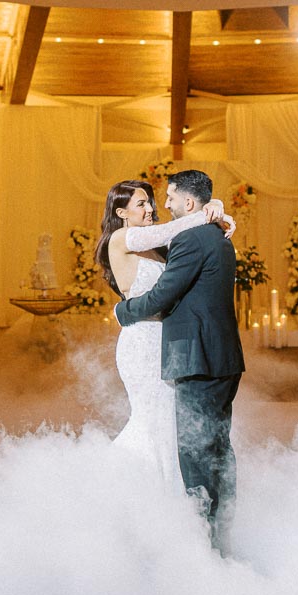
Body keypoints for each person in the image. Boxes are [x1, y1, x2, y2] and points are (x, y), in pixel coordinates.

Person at [114, 170, 244, 556]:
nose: (162, 204)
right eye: (150, 201)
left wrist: (123, 311)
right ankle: (222, 532)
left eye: (169, 197)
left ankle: (203, 547)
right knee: (218, 448)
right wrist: (215, 211)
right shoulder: (216, 235)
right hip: (221, 357)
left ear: (189, 203)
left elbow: (161, 296)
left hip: (196, 359)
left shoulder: (189, 238)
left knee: (195, 454)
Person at [95, 180, 232, 490]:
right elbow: (170, 230)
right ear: (122, 212)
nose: (152, 208)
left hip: (167, 341)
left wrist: (216, 209)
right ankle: (123, 492)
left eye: (151, 202)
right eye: (141, 203)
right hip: (141, 342)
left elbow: (187, 246)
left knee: (170, 422)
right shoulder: (120, 238)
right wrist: (207, 212)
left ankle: (171, 499)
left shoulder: (156, 248)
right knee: (153, 420)